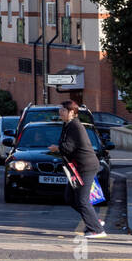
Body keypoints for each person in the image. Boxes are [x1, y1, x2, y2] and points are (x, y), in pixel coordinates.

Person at [49, 100, 104, 237]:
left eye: (62, 110)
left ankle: (97, 230)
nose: (60, 112)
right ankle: (94, 221)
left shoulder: (75, 126)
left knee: (82, 199)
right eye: (60, 110)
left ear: (71, 112)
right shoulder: (68, 125)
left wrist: (57, 149)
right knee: (70, 197)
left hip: (85, 166)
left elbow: (69, 147)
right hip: (76, 167)